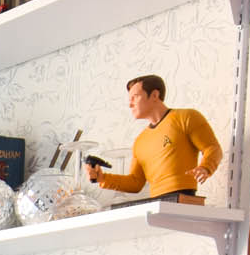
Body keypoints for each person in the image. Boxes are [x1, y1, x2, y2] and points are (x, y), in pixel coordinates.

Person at [88, 76, 222, 201]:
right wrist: (102, 178)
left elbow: (212, 148)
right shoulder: (140, 141)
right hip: (156, 203)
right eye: (129, 100)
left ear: (154, 95)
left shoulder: (186, 117)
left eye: (135, 97)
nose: (130, 104)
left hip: (183, 198)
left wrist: (206, 167)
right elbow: (135, 182)